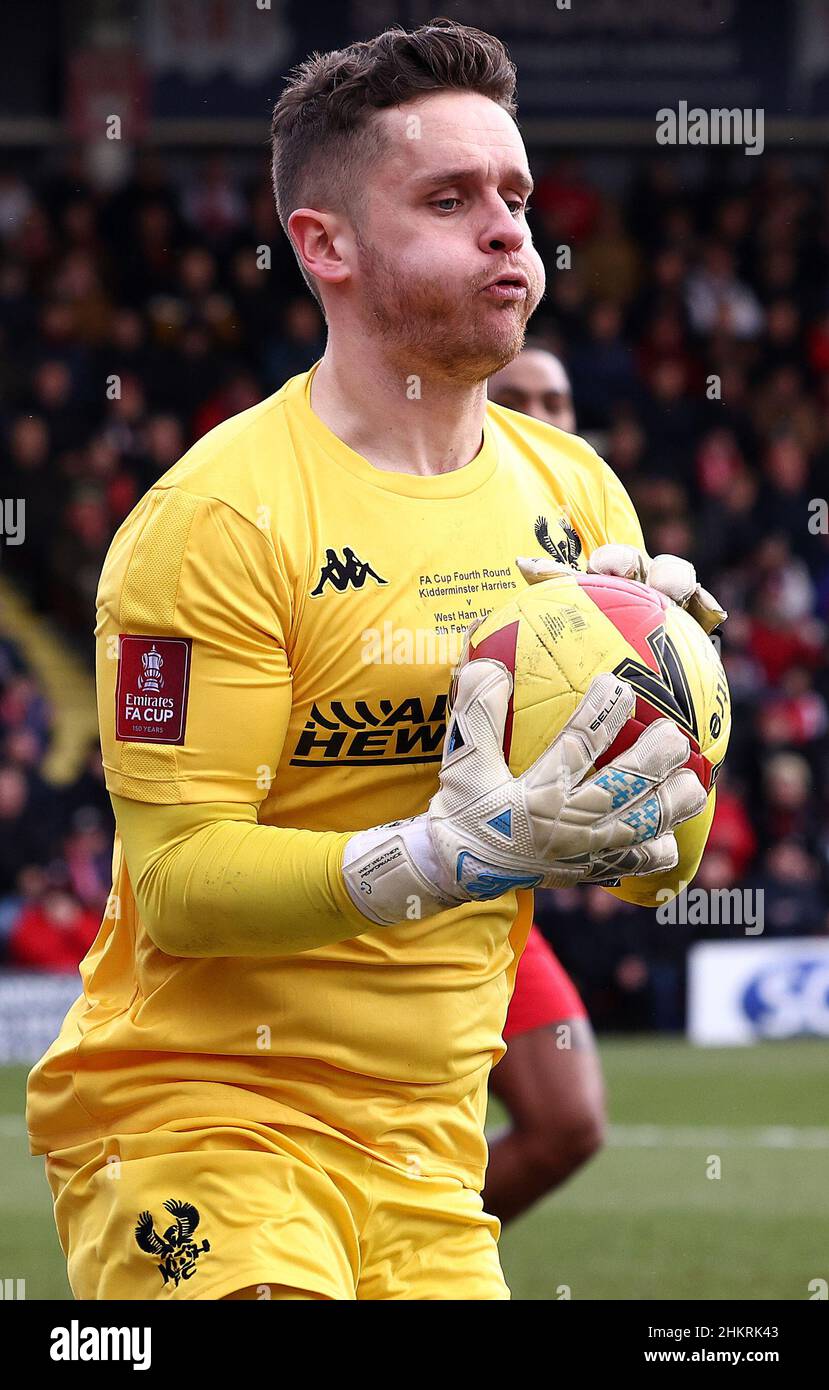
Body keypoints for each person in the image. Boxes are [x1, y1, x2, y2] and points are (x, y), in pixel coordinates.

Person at [27, 20, 715, 1301]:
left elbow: (659, 870)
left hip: (428, 1156)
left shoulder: (580, 498)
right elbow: (178, 880)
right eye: (448, 200)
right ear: (324, 245)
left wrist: (679, 707)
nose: (510, 228)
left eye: (512, 195)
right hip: (202, 1122)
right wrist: (443, 855)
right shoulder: (216, 520)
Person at [485, 346, 605, 1223]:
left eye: (556, 398)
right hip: (375, 869)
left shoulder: (593, 532)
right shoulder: (425, 501)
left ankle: (397, 1252)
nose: (541, 413)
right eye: (516, 397)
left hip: (493, 891)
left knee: (568, 1124)